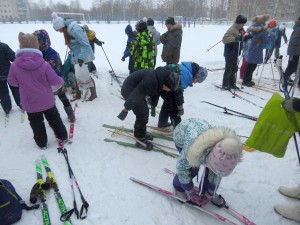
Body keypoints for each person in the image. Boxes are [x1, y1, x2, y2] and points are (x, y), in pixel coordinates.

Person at [7, 32, 68, 149]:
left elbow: (12, 82)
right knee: (54, 119)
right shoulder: (43, 64)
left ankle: (42, 143)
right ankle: (63, 136)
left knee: (36, 124)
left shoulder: (14, 65)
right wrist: (61, 80)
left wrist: (22, 82)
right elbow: (54, 80)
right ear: (36, 46)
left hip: (30, 102)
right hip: (47, 100)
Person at [172, 118, 242, 207]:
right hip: (181, 136)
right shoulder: (192, 150)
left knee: (213, 171)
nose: (214, 172)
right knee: (192, 169)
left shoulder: (225, 153)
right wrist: (191, 192)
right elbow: (181, 169)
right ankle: (178, 188)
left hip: (203, 137)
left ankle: (205, 191)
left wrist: (209, 194)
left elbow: (217, 173)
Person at [117, 67, 180, 149]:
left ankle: (141, 133)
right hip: (129, 89)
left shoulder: (162, 78)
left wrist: (154, 107)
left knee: (144, 111)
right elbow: (136, 93)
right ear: (165, 84)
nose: (169, 91)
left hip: (137, 88)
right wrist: (125, 109)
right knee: (142, 112)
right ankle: (140, 139)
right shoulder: (152, 81)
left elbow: (156, 94)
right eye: (169, 89)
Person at [51, 12, 97, 101]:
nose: (59, 32)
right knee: (78, 75)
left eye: (58, 29)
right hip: (77, 56)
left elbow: (86, 44)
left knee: (86, 76)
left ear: (62, 26)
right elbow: (76, 44)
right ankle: (78, 94)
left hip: (84, 56)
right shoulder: (68, 30)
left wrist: (81, 58)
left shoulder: (75, 30)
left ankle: (94, 94)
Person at [33, 29, 75, 122]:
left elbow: (50, 69)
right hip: (44, 83)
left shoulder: (52, 54)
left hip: (56, 81)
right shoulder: (36, 53)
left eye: (37, 42)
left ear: (44, 41)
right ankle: (55, 120)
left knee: (63, 98)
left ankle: (70, 114)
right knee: (50, 103)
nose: (35, 44)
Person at [154, 62, 207, 128]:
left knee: (168, 102)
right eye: (197, 80)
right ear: (196, 76)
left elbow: (178, 91)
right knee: (172, 104)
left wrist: (180, 106)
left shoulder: (189, 70)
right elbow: (178, 93)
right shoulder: (187, 75)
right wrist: (180, 107)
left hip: (166, 82)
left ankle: (163, 122)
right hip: (164, 83)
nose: (195, 82)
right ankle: (177, 127)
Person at [242, 14, 274, 87]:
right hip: (256, 49)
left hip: (253, 49)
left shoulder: (255, 28)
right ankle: (246, 80)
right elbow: (267, 41)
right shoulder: (262, 31)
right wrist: (271, 35)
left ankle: (247, 80)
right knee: (252, 66)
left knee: (250, 65)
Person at [221, 15, 247, 90]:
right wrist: (235, 38)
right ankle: (225, 84)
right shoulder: (232, 29)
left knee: (234, 69)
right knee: (229, 69)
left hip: (235, 52)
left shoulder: (240, 29)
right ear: (239, 22)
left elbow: (241, 38)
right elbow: (224, 39)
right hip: (230, 52)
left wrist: (245, 37)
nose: (244, 24)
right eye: (243, 23)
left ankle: (232, 83)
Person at [0, 41, 22, 115]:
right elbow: (13, 57)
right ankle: (21, 104)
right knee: (15, 88)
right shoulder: (3, 46)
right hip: (9, 72)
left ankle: (6, 108)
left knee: (3, 92)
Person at [282, 16, 300, 87]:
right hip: (294, 51)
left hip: (296, 52)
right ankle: (284, 80)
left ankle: (286, 78)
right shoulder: (298, 29)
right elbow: (294, 40)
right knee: (292, 66)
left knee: (294, 66)